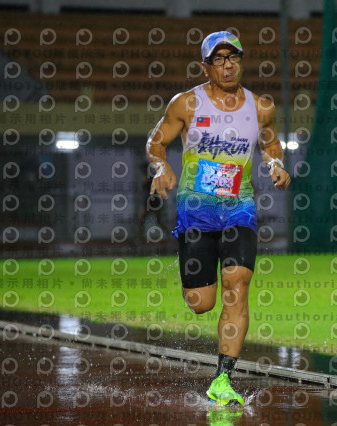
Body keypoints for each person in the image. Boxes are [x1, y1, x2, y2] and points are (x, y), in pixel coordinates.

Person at [146, 31, 291, 406]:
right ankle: (188, 270)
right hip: (196, 212)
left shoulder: (261, 107)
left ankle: (223, 378)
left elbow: (270, 142)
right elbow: (155, 142)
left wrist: (275, 163)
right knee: (201, 302)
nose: (228, 65)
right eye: (219, 59)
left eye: (234, 58)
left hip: (238, 210)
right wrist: (161, 167)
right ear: (205, 66)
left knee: (237, 285)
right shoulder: (187, 104)